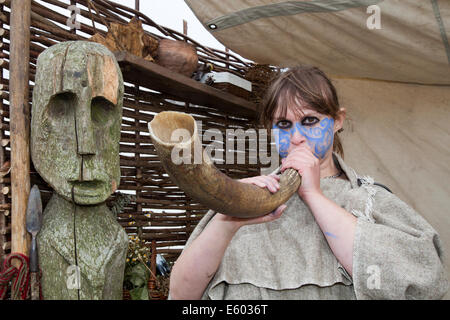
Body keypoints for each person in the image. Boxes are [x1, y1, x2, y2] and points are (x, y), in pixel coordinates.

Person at [169, 66, 449, 300]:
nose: (296, 137)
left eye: (310, 120)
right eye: (283, 124)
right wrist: (226, 220)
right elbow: (182, 296)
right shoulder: (247, 198)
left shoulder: (370, 199)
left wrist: (314, 195)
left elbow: (426, 281)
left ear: (337, 121)